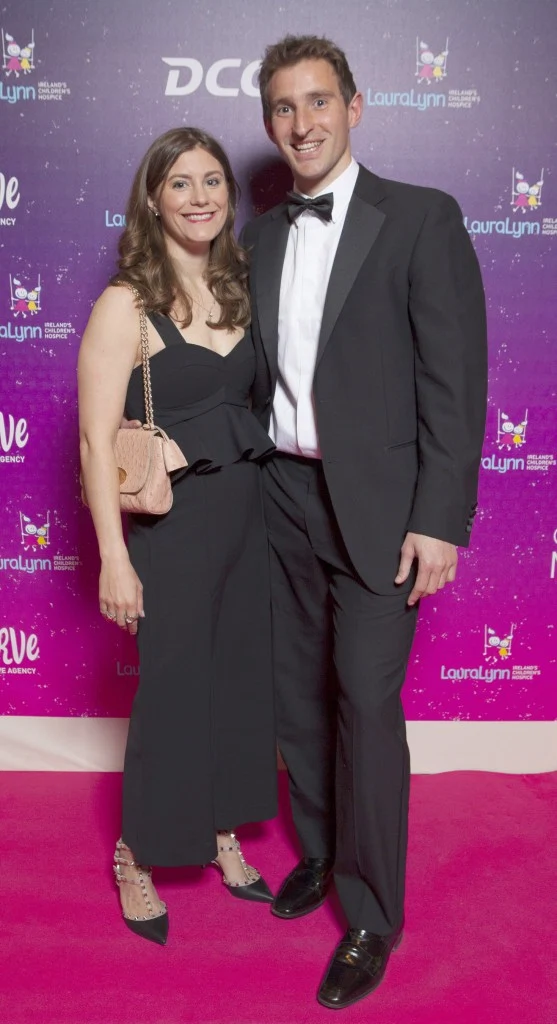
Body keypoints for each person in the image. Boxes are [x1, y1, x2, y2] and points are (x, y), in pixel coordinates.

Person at [240, 35, 487, 1010]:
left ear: (353, 105)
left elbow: (453, 383)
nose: (301, 123)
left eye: (317, 101)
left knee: (364, 703)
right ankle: (318, 850)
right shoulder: (260, 237)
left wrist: (440, 519)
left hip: (382, 511)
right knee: (296, 698)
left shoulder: (420, 218)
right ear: (268, 122)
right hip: (280, 496)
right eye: (283, 107)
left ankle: (372, 912)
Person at [78, 127, 277, 946]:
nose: (200, 197)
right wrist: (114, 560)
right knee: (171, 689)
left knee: (240, 681)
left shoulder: (240, 285)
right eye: (181, 184)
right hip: (176, 522)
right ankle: (136, 853)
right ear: (154, 200)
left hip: (251, 516)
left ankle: (223, 828)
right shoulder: (126, 302)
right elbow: (96, 442)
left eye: (213, 181)